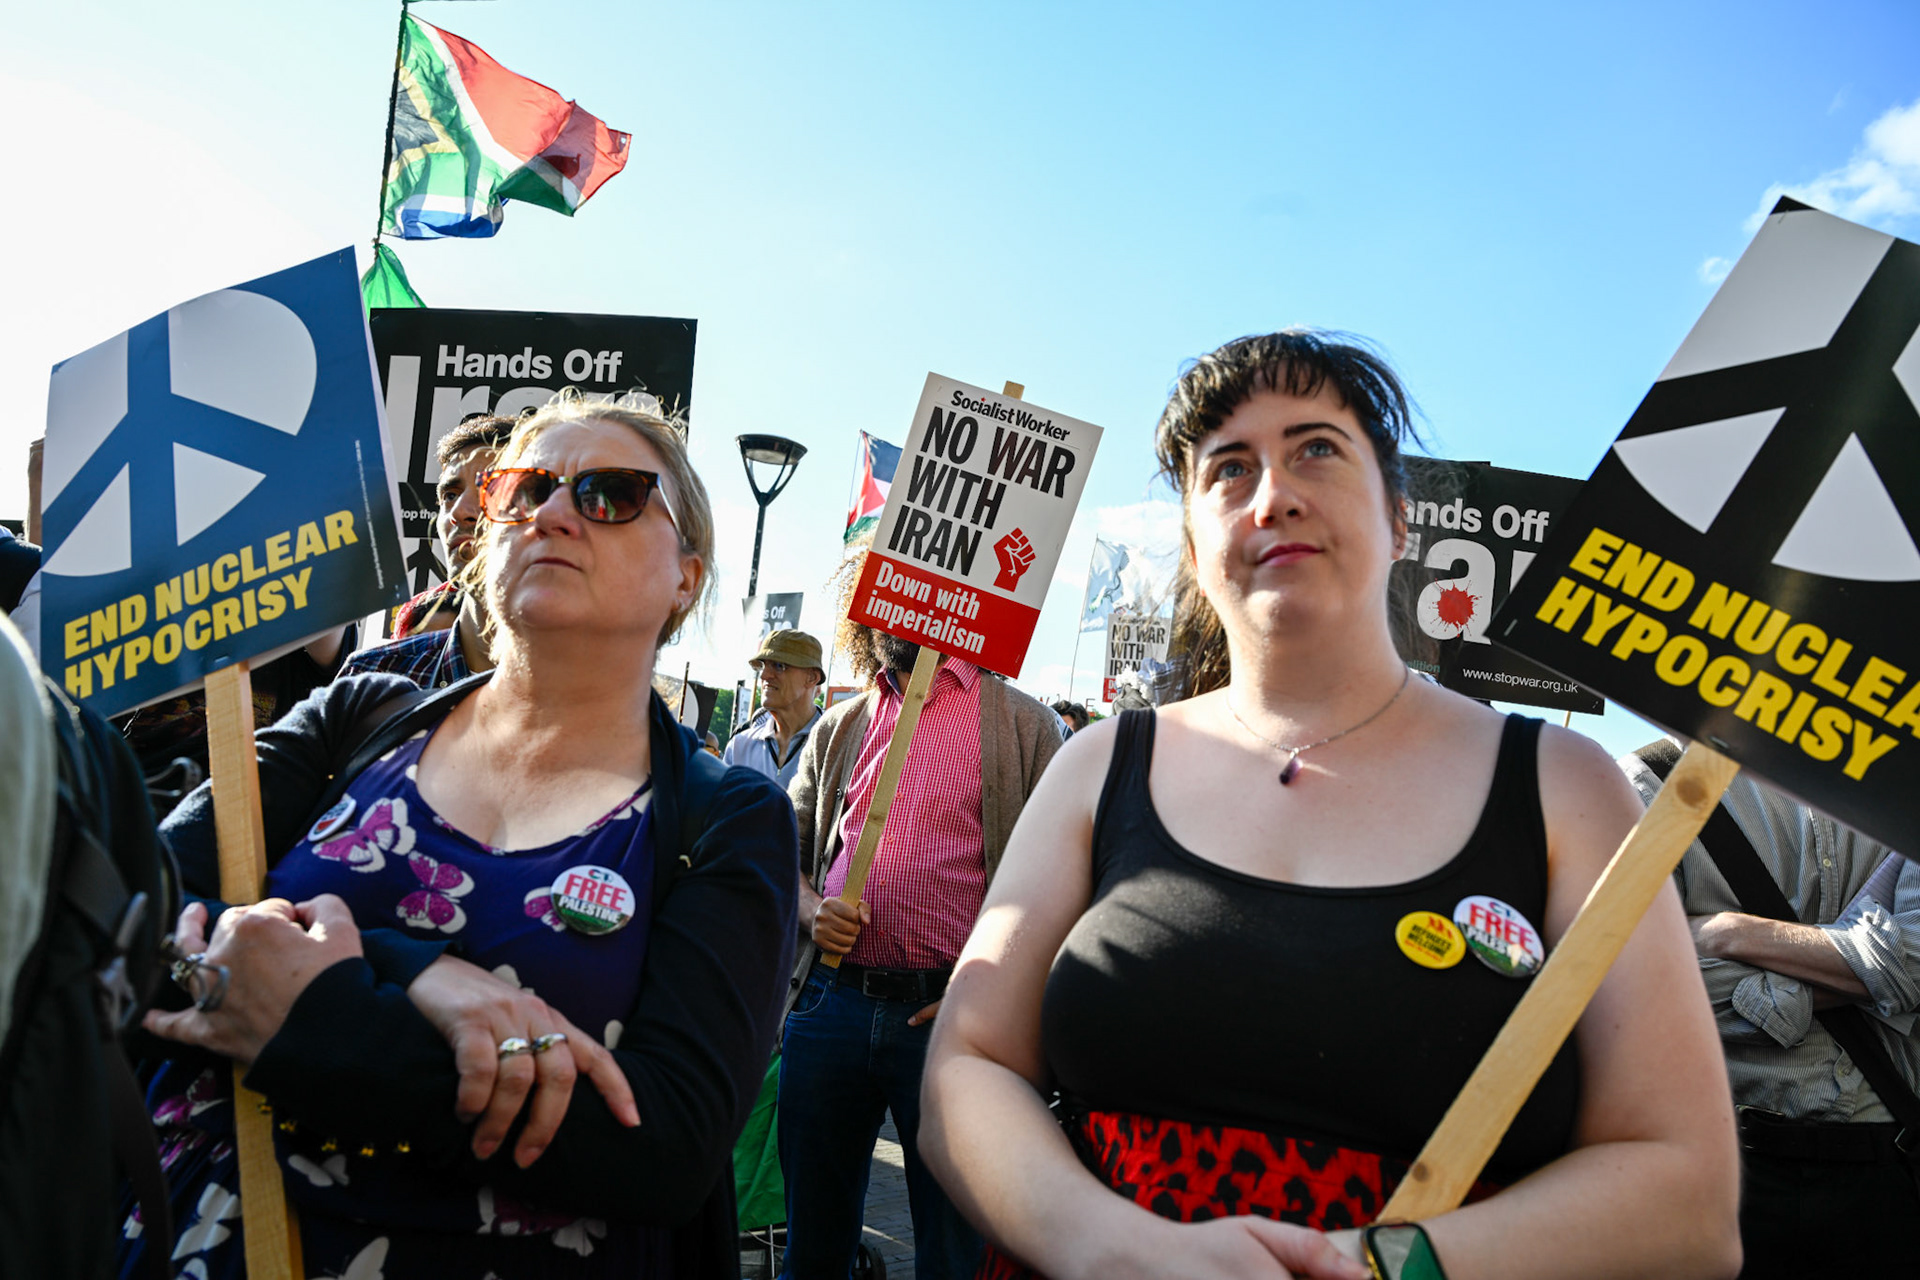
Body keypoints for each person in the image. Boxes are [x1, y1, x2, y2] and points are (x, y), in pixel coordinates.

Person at [919, 330, 1741, 1280]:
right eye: (1229, 468)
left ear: (1400, 517)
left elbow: (1686, 1195)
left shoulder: (1564, 787)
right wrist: (1111, 1249)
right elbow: (967, 1066)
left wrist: (1380, 1267)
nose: (1274, 494)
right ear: (1192, 545)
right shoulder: (1100, 764)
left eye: (1317, 447)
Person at [123, 392, 799, 1278]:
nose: (554, 512)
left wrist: (321, 1019)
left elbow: (664, 1145)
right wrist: (410, 969)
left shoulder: (727, 819)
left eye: (611, 494)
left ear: (687, 575)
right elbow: (135, 911)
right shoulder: (361, 713)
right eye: (522, 490)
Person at [779, 547, 1065, 1280]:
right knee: (813, 1241)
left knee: (953, 1249)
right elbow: (782, 858)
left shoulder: (1025, 727)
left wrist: (989, 991)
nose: (903, 602)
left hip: (952, 1022)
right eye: (887, 587)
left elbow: (1060, 887)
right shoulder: (841, 725)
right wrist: (813, 912)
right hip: (830, 1010)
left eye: (922, 586)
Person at [1623, 741, 1920, 1277]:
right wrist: (1866, 981)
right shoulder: (1657, 780)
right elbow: (1637, 982)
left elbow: (1915, 964)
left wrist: (1727, 934)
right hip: (1725, 1163)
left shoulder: (1908, 783)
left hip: (1896, 1162)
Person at [343, 415, 516, 688]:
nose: (459, 511)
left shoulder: (599, 688)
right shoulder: (373, 677)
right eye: (450, 495)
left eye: (492, 490)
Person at [723, 629, 826, 789]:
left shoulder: (836, 746)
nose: (764, 675)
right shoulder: (740, 746)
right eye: (763, 665)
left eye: (779, 666)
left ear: (812, 678)